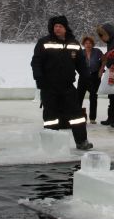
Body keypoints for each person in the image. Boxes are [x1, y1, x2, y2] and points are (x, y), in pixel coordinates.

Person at [31, 15, 93, 150]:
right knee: (51, 116)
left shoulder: (74, 44)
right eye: (55, 26)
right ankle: (50, 143)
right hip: (49, 86)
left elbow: (81, 64)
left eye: (60, 26)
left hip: (67, 86)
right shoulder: (44, 42)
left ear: (65, 28)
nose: (57, 29)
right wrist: (39, 78)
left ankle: (82, 141)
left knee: (76, 115)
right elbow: (36, 62)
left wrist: (87, 77)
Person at [77, 35, 103, 124]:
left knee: (93, 97)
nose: (88, 45)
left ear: (92, 44)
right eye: (86, 43)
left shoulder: (97, 51)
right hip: (84, 77)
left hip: (95, 77)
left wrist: (101, 70)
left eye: (90, 43)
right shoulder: (81, 52)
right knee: (79, 96)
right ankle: (77, 115)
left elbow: (105, 59)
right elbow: (76, 63)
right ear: (83, 44)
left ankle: (92, 118)